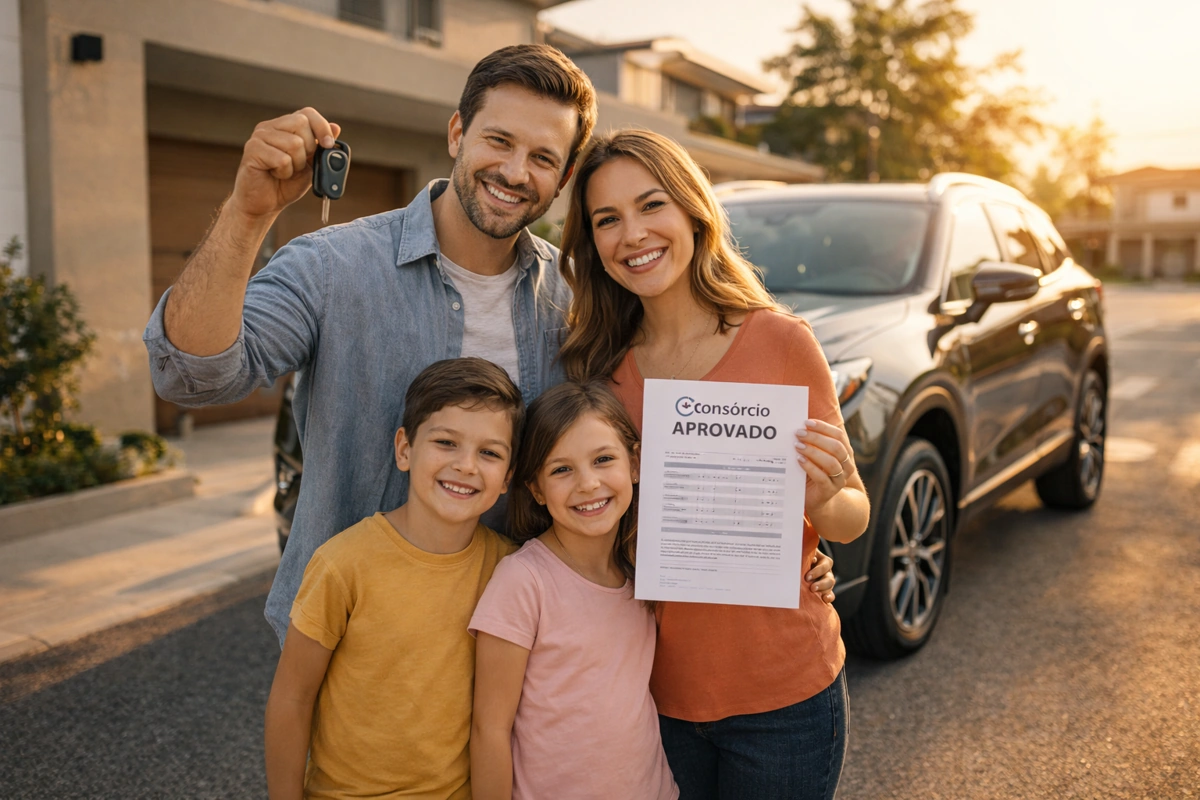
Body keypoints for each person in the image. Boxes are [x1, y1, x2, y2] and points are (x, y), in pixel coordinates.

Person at [142, 44, 598, 643]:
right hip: (355, 646)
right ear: (458, 133)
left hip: (512, 653)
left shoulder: (574, 300)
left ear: (564, 177)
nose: (516, 172)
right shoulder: (333, 266)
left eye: (543, 157)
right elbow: (191, 377)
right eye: (499, 141)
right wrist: (248, 215)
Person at [557, 129, 872, 799]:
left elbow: (850, 518)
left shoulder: (781, 341)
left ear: (693, 212)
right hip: (651, 696)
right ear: (591, 243)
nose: (632, 233)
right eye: (606, 219)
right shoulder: (596, 369)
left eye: (651, 206)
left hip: (784, 701)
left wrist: (821, 499)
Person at [263, 357, 522, 800]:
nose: (465, 466)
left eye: (489, 453)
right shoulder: (343, 564)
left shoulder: (511, 570)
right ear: (404, 449)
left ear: (507, 478)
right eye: (446, 442)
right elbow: (292, 699)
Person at [469, 381, 678, 800]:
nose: (587, 484)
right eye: (561, 469)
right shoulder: (524, 581)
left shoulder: (646, 570)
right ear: (536, 489)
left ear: (635, 464)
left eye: (603, 459)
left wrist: (811, 564)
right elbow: (489, 730)